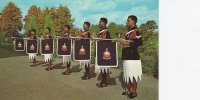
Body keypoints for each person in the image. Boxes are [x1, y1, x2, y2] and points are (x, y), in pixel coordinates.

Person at [119, 15, 143, 99]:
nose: (127, 22)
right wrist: (121, 41)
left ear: (133, 21)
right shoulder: (128, 32)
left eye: (128, 21)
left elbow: (139, 42)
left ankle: (134, 92)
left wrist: (127, 43)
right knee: (129, 74)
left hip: (133, 56)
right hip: (127, 56)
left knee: (133, 75)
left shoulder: (136, 31)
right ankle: (130, 90)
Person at [95, 18, 111, 88]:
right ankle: (103, 80)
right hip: (100, 51)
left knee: (104, 67)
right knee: (102, 68)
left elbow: (106, 42)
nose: (99, 23)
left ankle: (104, 82)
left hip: (103, 52)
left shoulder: (105, 32)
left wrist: (97, 39)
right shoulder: (101, 32)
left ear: (104, 23)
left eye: (100, 22)